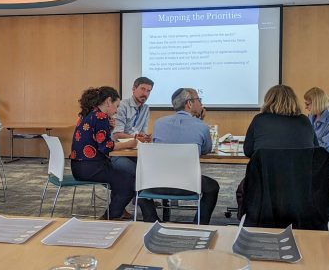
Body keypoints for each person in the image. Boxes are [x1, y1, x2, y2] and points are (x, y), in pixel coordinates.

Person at [138, 88, 220, 225]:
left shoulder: (159, 123)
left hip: (156, 183)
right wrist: (199, 121)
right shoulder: (202, 126)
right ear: (189, 103)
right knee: (213, 187)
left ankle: (151, 218)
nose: (201, 103)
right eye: (199, 100)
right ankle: (199, 224)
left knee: (139, 181)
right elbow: (206, 150)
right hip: (189, 185)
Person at [70, 86, 138, 220]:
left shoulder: (89, 114)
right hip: (91, 167)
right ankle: (110, 217)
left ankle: (117, 211)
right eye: (116, 106)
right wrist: (127, 144)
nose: (117, 111)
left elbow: (97, 141)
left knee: (121, 178)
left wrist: (110, 129)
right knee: (129, 182)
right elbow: (105, 147)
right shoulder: (100, 116)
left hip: (79, 166)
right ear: (108, 101)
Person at [243, 84, 318, 157]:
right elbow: (316, 150)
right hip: (301, 169)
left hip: (266, 169)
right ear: (294, 100)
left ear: (268, 101)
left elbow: (248, 151)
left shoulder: (259, 119)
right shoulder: (304, 120)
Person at [110, 77, 153, 177]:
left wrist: (145, 137)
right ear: (134, 89)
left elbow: (141, 133)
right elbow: (116, 135)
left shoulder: (146, 108)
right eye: (142, 89)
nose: (145, 94)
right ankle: (130, 192)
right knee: (139, 172)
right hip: (118, 153)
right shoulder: (121, 106)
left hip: (135, 151)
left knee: (151, 168)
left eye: (148, 91)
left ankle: (139, 192)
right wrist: (137, 138)